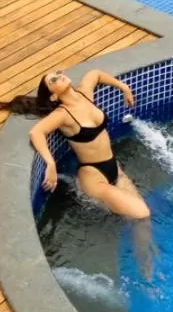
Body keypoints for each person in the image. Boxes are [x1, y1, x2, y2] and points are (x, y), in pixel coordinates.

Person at [17, 68, 151, 221]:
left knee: (143, 223)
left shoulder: (84, 95)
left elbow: (95, 74)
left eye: (57, 73)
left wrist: (123, 87)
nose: (59, 77)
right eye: (53, 80)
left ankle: (142, 246)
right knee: (142, 213)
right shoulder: (63, 115)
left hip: (114, 167)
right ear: (54, 96)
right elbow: (36, 132)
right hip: (93, 176)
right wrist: (50, 163)